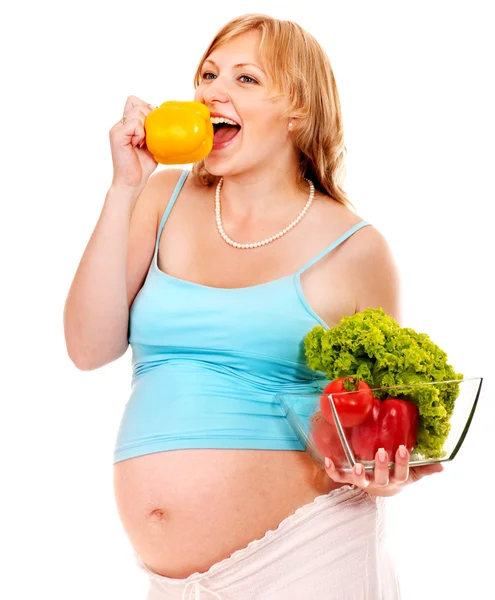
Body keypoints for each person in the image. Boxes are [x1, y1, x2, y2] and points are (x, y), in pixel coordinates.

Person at [63, 13, 443, 600]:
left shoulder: (357, 249)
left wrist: (384, 474)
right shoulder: (159, 198)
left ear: (298, 111)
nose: (213, 91)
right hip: (171, 582)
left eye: (245, 79)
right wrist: (123, 187)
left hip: (311, 555)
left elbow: (382, 428)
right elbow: (88, 349)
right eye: (209, 74)